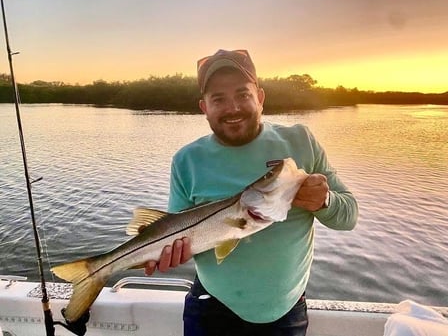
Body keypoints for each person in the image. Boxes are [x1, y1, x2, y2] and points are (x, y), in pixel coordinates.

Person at [144, 49, 359, 336]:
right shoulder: (186, 161)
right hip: (211, 307)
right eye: (218, 99)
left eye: (242, 94)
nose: (232, 108)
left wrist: (325, 201)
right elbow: (175, 228)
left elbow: (349, 216)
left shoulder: (300, 141)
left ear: (260, 98)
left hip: (286, 312)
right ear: (204, 107)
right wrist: (171, 254)